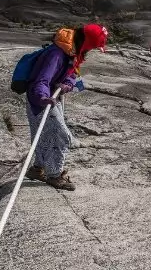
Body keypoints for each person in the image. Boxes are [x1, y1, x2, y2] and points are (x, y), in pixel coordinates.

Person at [24, 23, 108, 190]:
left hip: (52, 96)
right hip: (42, 99)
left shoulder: (72, 50)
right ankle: (55, 175)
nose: (91, 50)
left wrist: (68, 83)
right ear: (87, 42)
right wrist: (43, 97)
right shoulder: (56, 54)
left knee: (44, 133)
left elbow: (72, 72)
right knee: (60, 135)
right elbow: (42, 79)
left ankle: (37, 169)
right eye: (93, 47)